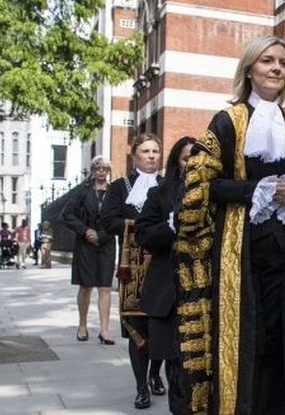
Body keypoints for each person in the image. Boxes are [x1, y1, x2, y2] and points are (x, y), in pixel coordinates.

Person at [176, 35, 285, 415]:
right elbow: (201, 183)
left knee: (282, 339)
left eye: (282, 62)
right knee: (249, 337)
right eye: (267, 61)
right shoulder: (227, 121)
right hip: (238, 253)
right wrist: (254, 191)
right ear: (249, 69)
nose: (276, 68)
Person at [100, 134, 165, 410]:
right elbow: (107, 220)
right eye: (145, 151)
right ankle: (141, 387)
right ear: (135, 155)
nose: (151, 156)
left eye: (155, 151)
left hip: (162, 266)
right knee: (137, 327)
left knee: (160, 324)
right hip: (133, 269)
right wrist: (137, 226)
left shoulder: (167, 185)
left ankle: (155, 373)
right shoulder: (119, 187)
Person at [135, 135, 196, 414]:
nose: (192, 163)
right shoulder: (159, 194)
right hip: (170, 292)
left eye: (196, 158)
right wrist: (169, 227)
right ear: (175, 162)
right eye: (186, 158)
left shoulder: (214, 192)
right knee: (177, 370)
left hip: (204, 291)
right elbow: (143, 234)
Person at [62, 156, 117, 344]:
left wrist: (101, 235)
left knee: (105, 286)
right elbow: (66, 214)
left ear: (109, 171)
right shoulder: (82, 191)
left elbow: (118, 217)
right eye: (97, 168)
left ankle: (104, 330)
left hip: (107, 243)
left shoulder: (114, 192)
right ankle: (83, 325)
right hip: (85, 244)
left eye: (105, 168)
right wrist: (86, 231)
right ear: (93, 170)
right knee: (85, 286)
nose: (101, 171)